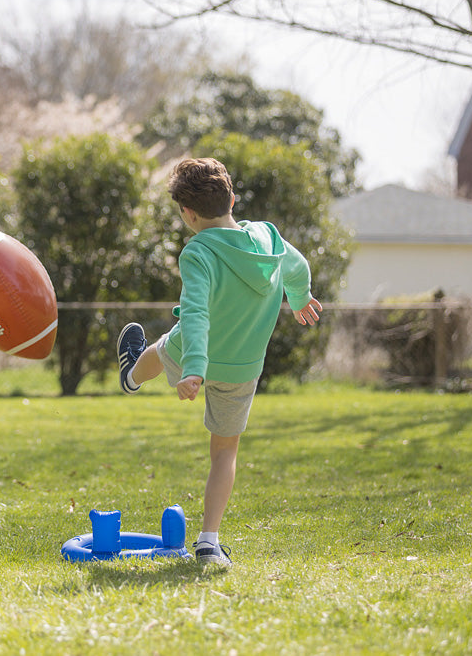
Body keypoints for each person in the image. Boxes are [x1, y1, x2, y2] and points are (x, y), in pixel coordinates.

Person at [116, 157, 322, 567]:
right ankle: (209, 541)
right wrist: (299, 300)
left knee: (161, 348)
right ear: (232, 197)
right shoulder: (269, 238)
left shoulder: (198, 253)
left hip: (200, 351)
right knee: (224, 452)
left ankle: (131, 375)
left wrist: (194, 368)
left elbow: (195, 314)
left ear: (187, 214)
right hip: (242, 366)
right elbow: (298, 269)